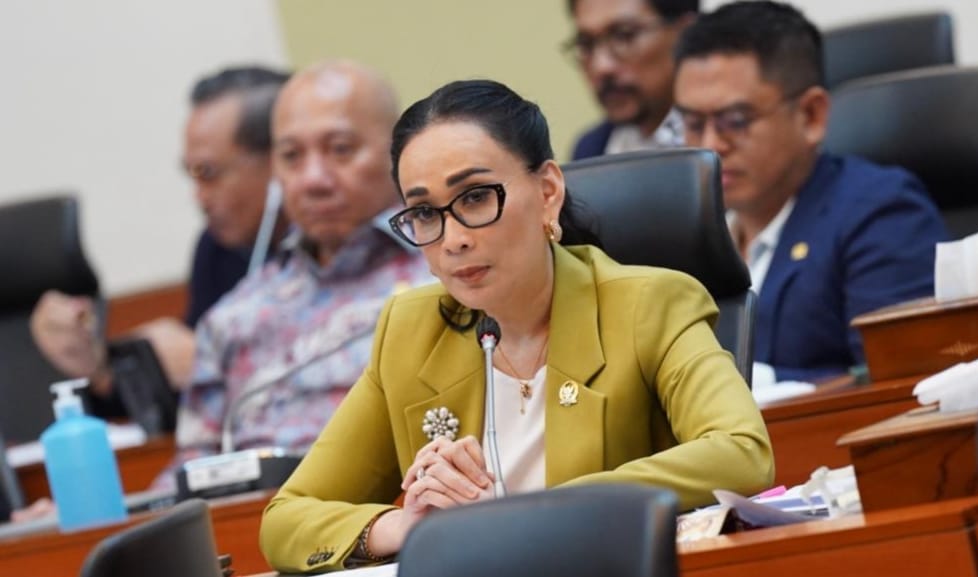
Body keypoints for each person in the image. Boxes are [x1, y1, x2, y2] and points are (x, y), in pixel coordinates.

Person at [259, 79, 773, 572]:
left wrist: (520, 517)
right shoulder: (410, 331)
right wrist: (407, 526)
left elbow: (741, 453)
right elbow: (287, 519)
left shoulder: (649, 304)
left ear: (547, 191)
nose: (453, 239)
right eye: (425, 213)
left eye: (475, 197)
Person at [162, 61, 432, 477]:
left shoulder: (446, 274)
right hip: (247, 511)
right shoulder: (234, 315)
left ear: (397, 150)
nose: (313, 179)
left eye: (340, 149)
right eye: (291, 156)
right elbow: (189, 471)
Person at [672, 1, 949, 384]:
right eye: (691, 123)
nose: (709, 145)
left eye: (734, 121)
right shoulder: (684, 238)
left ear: (811, 115)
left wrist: (754, 389)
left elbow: (899, 383)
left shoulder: (881, 213)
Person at [29, 66, 290, 405]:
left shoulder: (340, 248)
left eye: (208, 173)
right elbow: (186, 404)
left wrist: (215, 364)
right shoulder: (217, 248)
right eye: (191, 175)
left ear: (280, 161)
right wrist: (99, 370)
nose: (199, 198)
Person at [567, 0, 698, 160]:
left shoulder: (719, 146)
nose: (601, 67)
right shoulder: (591, 151)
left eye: (624, 35)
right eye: (586, 44)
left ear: (686, 33)